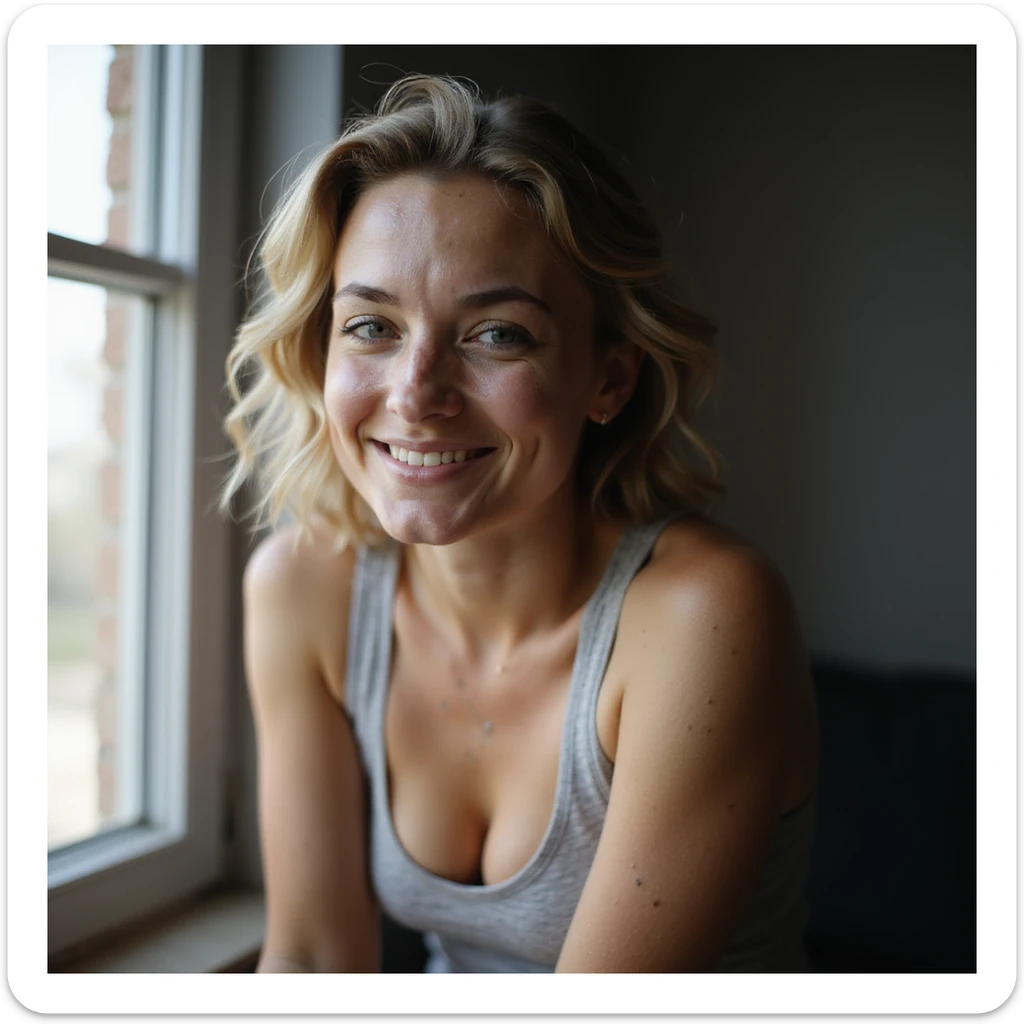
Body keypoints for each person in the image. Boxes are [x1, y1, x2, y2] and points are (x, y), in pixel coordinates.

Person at [220, 74, 819, 973]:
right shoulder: (302, 588)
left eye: (496, 334)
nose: (415, 397)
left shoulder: (705, 615)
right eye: (371, 326)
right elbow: (309, 960)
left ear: (609, 378)